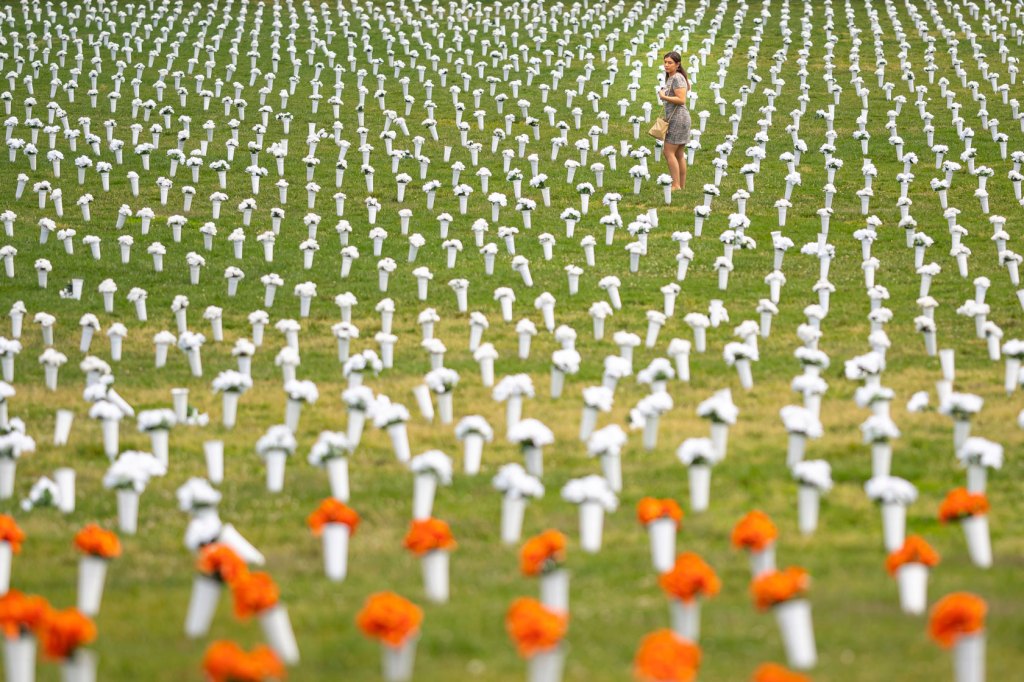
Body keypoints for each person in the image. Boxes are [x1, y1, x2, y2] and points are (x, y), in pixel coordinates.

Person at [658, 52, 691, 191]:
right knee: (678, 154)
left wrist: (663, 96)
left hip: (678, 118)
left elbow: (681, 100)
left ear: (678, 65)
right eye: (665, 62)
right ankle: (680, 185)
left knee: (668, 152)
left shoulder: (677, 78)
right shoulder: (672, 77)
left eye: (670, 62)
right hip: (677, 118)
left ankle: (676, 185)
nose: (666, 65)